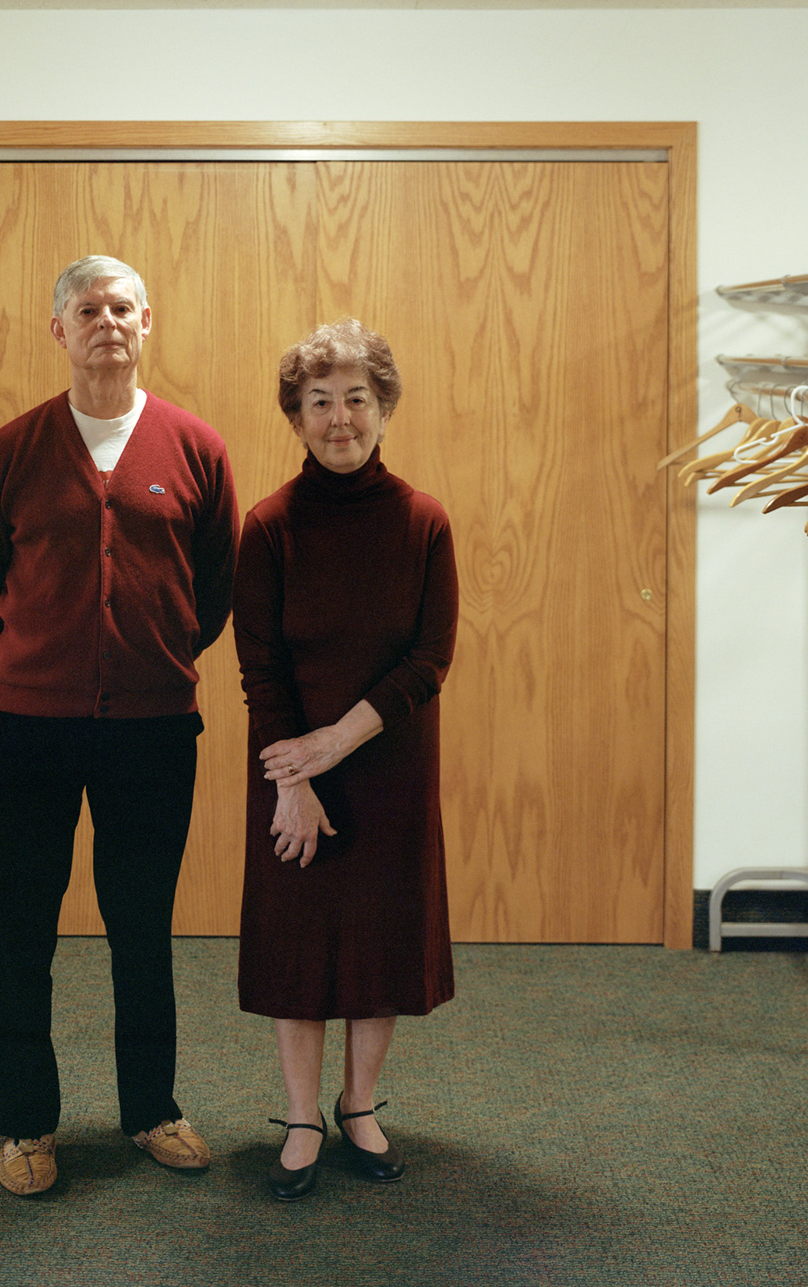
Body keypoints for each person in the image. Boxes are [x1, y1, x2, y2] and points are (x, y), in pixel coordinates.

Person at [0, 255, 239, 1197]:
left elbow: (213, 590)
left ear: (146, 321)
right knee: (23, 928)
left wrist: (152, 661)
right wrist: (32, 672)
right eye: (88, 309)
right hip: (30, 727)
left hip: (154, 730)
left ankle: (152, 1108)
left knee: (141, 924)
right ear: (60, 330)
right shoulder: (11, 451)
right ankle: (24, 1124)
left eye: (122, 307)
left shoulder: (196, 448)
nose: (106, 322)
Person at [232, 318, 459, 1201]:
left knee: (377, 939)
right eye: (319, 402)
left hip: (388, 762)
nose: (339, 419)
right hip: (291, 773)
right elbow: (262, 670)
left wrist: (337, 743)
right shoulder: (268, 527)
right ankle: (299, 1115)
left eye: (356, 400)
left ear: (384, 408)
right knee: (300, 941)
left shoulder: (425, 523)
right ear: (295, 418)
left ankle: (359, 1106)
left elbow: (430, 660)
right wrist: (296, 781)